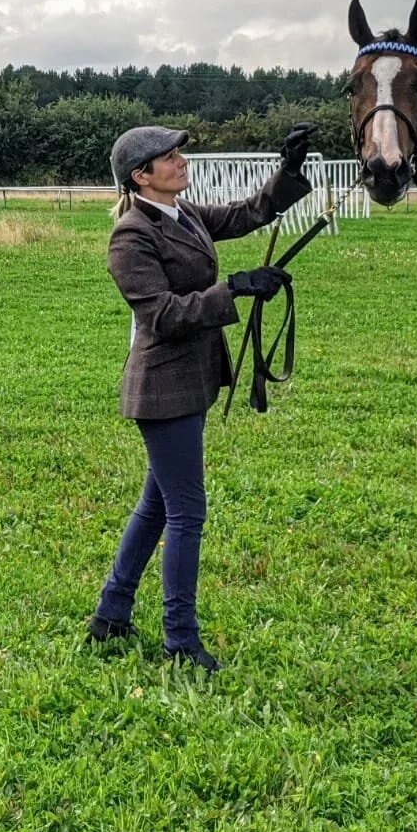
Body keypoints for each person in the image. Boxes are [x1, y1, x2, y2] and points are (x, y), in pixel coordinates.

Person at [88, 122, 315, 670]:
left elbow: (246, 214)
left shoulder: (183, 214)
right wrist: (232, 289)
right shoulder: (132, 235)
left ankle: (111, 614)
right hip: (162, 388)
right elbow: (161, 314)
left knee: (158, 505)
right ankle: (180, 641)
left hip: (190, 381)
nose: (182, 161)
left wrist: (287, 172)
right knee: (187, 512)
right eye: (171, 156)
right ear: (142, 176)